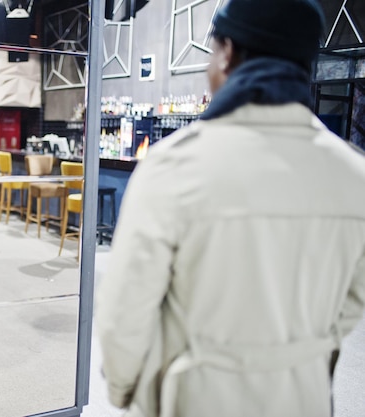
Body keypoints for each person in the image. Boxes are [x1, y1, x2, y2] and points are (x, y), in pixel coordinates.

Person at [95, 1, 365, 416]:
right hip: (305, 396)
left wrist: (124, 389)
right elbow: (354, 300)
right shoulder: (353, 173)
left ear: (225, 53)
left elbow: (126, 312)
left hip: (198, 394)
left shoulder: (175, 166)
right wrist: (302, 351)